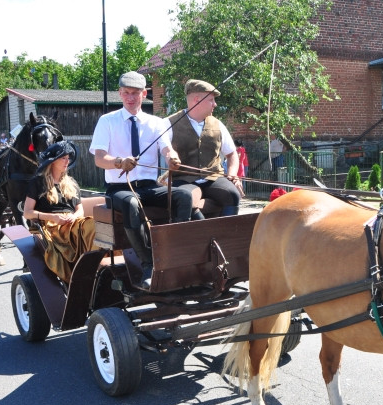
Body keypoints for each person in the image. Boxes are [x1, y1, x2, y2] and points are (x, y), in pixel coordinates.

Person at [89, 71, 193, 289]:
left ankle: (175, 252)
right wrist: (119, 162)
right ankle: (148, 263)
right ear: (120, 94)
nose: (130, 97)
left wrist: (172, 157)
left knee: (184, 195)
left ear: (144, 94)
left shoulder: (156, 123)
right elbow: (99, 159)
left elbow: (167, 149)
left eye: (135, 93)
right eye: (126, 93)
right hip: (118, 188)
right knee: (130, 202)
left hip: (149, 186)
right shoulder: (107, 121)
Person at [165, 79, 244, 218]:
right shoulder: (168, 124)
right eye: (211, 100)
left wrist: (232, 175)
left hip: (213, 178)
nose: (215, 104)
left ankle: (224, 234)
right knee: (187, 199)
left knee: (233, 195)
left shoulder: (217, 124)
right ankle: (202, 234)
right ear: (197, 100)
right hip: (184, 180)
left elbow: (232, 154)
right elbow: (161, 151)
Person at [23, 140, 96, 283]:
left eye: (68, 158)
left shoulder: (71, 182)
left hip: (74, 222)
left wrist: (74, 217)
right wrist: (53, 217)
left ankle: (97, 267)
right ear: (53, 161)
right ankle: (88, 269)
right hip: (52, 226)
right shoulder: (38, 182)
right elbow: (27, 212)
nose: (67, 161)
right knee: (92, 227)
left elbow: (79, 209)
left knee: (98, 226)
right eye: (63, 158)